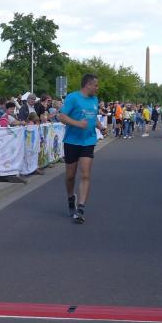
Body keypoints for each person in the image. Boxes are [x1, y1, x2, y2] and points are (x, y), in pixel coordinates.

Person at [58, 73, 102, 224]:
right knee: (70, 176)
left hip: (88, 141)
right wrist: (77, 124)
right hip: (71, 141)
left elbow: (93, 117)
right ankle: (71, 197)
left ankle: (81, 208)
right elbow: (61, 116)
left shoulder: (95, 99)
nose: (97, 88)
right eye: (95, 85)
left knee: (85, 174)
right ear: (88, 85)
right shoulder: (73, 98)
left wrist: (100, 126)